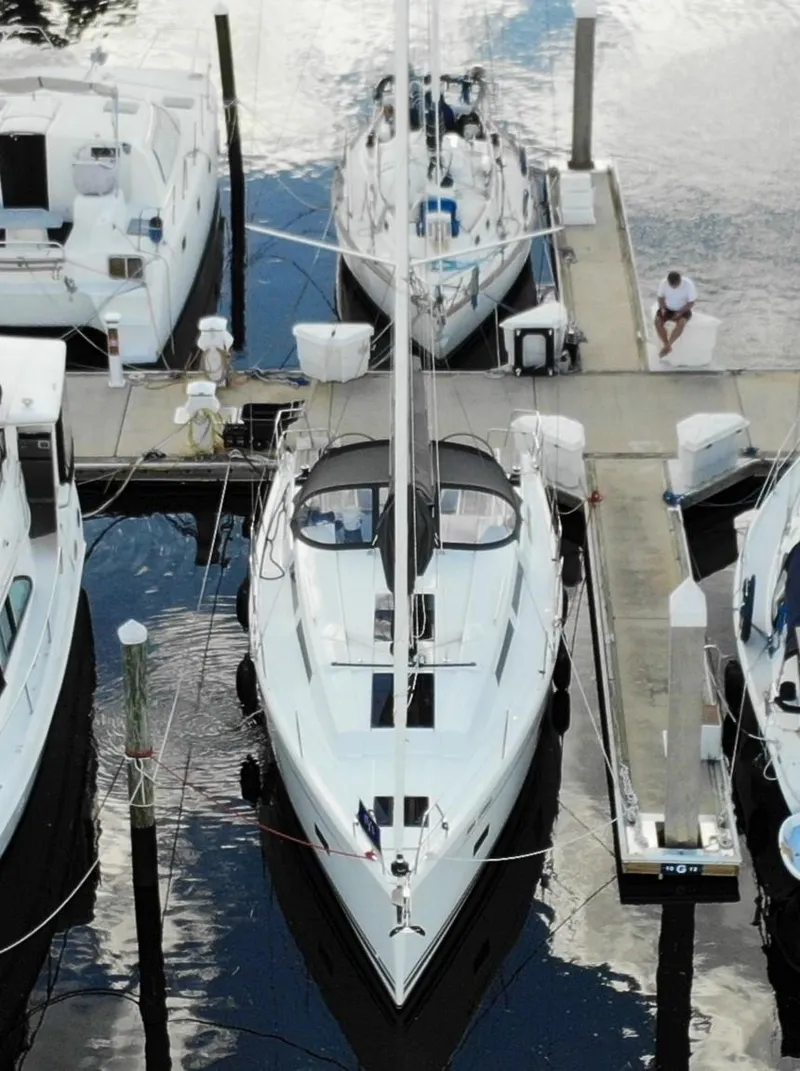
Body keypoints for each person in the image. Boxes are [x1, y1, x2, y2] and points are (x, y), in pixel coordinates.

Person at [655, 270, 696, 358]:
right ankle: (667, 345)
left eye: (675, 285)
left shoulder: (688, 284)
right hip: (668, 308)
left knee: (681, 323)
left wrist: (680, 312)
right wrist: (662, 308)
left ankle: (669, 344)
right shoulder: (664, 283)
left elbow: (691, 302)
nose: (673, 287)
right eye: (671, 285)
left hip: (683, 309)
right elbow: (660, 297)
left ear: (679, 281)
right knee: (657, 321)